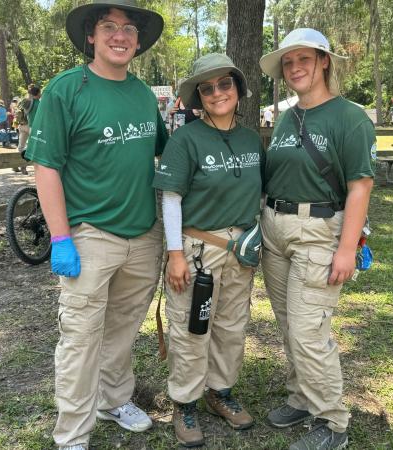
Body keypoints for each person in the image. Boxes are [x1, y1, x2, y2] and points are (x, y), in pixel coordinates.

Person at [24, 1, 167, 448]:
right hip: (90, 237)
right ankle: (72, 434)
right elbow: (45, 167)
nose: (119, 36)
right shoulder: (66, 90)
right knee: (81, 339)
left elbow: (165, 154)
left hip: (143, 235)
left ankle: (113, 400)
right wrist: (62, 237)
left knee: (123, 330)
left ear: (138, 40)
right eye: (109, 27)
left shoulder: (143, 94)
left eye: (128, 29)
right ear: (92, 34)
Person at [258, 28, 375, 450]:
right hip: (275, 227)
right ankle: (302, 398)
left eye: (303, 59)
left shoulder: (350, 117)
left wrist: (346, 248)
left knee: (310, 330)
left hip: (319, 232)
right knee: (290, 324)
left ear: (324, 61)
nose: (294, 68)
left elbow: (360, 186)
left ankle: (332, 423)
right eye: (288, 63)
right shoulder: (290, 116)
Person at [153, 53, 262, 447]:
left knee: (233, 324)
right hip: (198, 249)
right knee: (191, 326)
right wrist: (175, 253)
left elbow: (260, 192)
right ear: (198, 95)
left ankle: (221, 391)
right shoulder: (186, 139)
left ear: (237, 87)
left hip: (241, 250)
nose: (218, 92)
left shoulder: (251, 139)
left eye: (224, 84)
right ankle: (185, 401)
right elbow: (170, 198)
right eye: (207, 87)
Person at [16, 84, 41, 155]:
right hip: (33, 127)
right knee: (34, 146)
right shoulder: (39, 103)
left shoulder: (26, 101)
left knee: (21, 147)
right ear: (38, 93)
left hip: (23, 125)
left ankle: (20, 163)